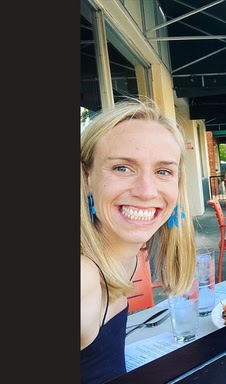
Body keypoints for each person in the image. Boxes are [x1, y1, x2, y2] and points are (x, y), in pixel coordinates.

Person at [80, 98, 197, 383]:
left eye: (163, 171)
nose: (146, 191)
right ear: (87, 177)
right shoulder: (83, 276)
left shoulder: (131, 255)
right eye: (122, 167)